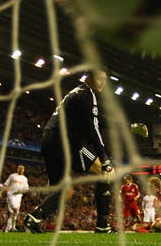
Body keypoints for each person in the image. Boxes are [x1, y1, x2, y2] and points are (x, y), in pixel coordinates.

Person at [25, 69, 116, 234]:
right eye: (99, 78)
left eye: (105, 80)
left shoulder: (76, 93)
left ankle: (34, 217)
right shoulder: (87, 94)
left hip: (49, 141)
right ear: (88, 78)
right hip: (66, 142)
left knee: (64, 191)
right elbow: (93, 128)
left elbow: (97, 120)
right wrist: (105, 159)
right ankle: (103, 225)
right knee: (106, 173)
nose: (102, 82)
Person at [0, 164, 29, 232]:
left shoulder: (25, 179)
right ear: (17, 169)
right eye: (19, 168)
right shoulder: (12, 176)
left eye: (22, 169)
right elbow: (6, 184)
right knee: (15, 210)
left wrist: (22, 191)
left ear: (23, 170)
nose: (20, 170)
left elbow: (27, 189)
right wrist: (1, 192)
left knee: (15, 213)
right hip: (11, 195)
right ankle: (12, 227)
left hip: (19, 196)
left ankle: (10, 228)